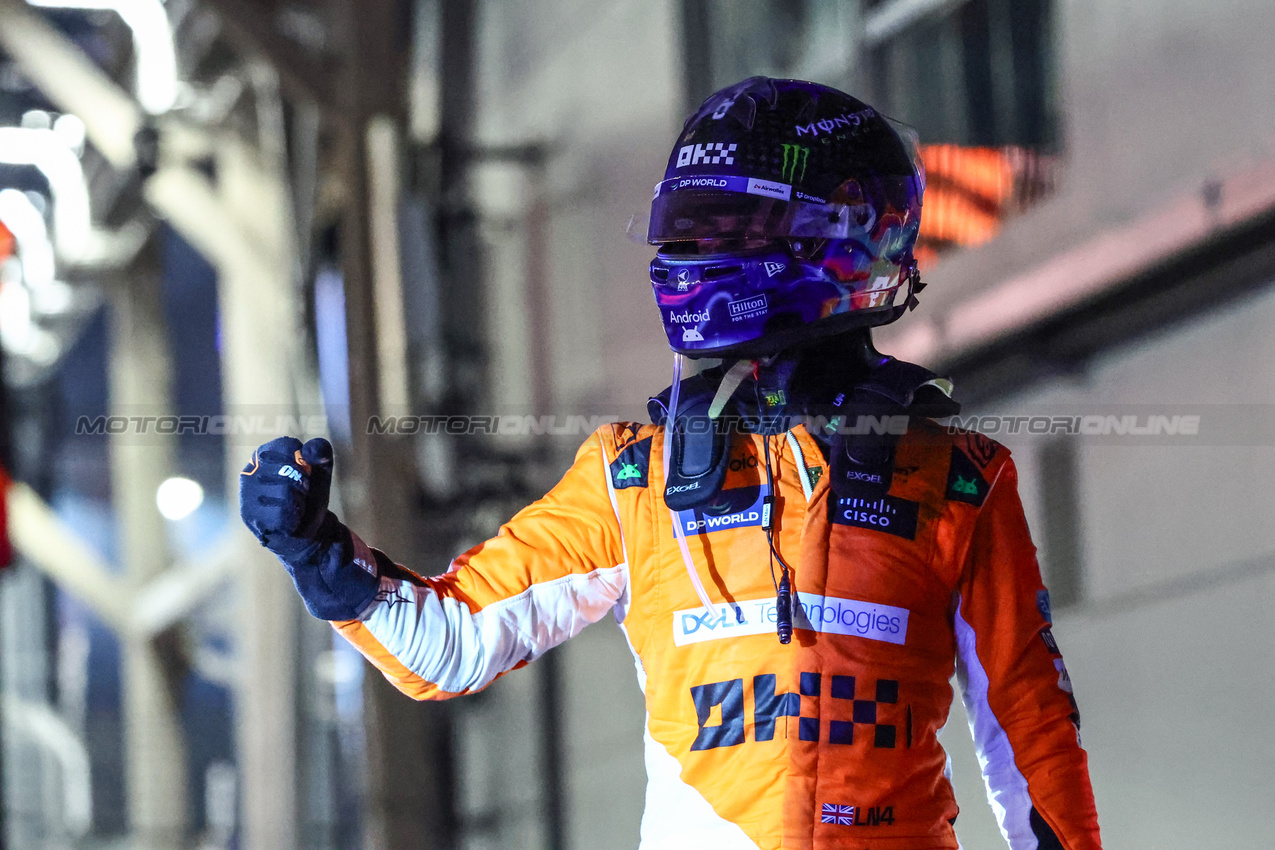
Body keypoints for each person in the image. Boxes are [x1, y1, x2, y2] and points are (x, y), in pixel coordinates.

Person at [240, 77, 1102, 850]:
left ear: (839, 238)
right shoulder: (631, 480)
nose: (685, 260)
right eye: (681, 233)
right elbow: (453, 645)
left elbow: (1029, 735)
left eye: (719, 231)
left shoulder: (958, 480)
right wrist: (321, 555)